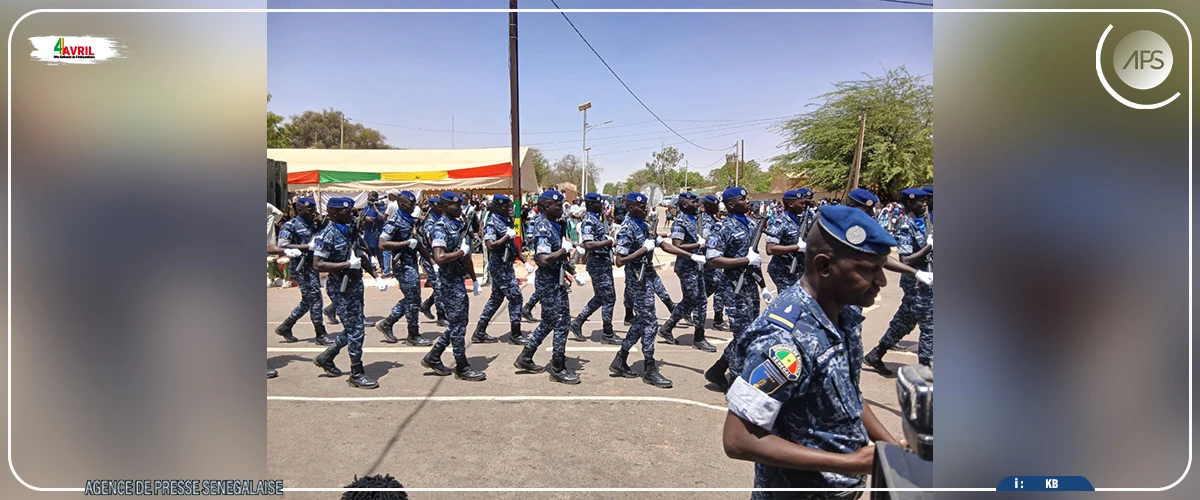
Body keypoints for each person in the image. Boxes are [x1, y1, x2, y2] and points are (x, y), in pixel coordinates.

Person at [722, 205, 903, 498]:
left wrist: (889, 446)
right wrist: (848, 462)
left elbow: (846, 394)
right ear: (824, 267)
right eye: (869, 270)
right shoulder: (783, 340)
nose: (881, 281)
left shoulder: (843, 316)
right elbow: (738, 439)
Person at [863, 188, 934, 374]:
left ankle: (876, 355)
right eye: (921, 201)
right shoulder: (905, 225)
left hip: (926, 282)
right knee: (930, 327)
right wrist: (928, 247)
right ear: (910, 202)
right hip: (917, 284)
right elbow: (905, 260)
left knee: (905, 322)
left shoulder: (925, 221)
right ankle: (925, 371)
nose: (925, 203)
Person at [311, 197, 379, 389]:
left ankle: (327, 356)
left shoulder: (350, 230)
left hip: (355, 285)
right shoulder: (327, 235)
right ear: (333, 213)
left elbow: (361, 254)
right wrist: (347, 264)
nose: (351, 214)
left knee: (353, 328)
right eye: (346, 211)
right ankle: (356, 373)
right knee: (357, 330)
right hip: (340, 287)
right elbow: (318, 264)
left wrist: (375, 275)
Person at [513, 190, 580, 384]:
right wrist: (563, 250)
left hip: (556, 279)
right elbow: (542, 260)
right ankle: (557, 367)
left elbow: (557, 258)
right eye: (556, 205)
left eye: (561, 205)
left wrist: (572, 271)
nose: (560, 208)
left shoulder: (555, 225)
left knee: (549, 322)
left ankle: (525, 357)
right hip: (549, 282)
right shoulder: (543, 226)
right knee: (561, 323)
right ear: (544, 207)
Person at [420, 192, 487, 381]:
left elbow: (466, 256)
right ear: (444, 207)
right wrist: (460, 252)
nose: (459, 209)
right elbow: (440, 257)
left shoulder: (458, 224)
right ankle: (461, 366)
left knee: (460, 323)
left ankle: (434, 355)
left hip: (457, 279)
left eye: (460, 206)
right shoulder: (440, 227)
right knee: (458, 325)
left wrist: (474, 279)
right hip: (448, 282)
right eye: (455, 206)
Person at [609, 192, 672, 388]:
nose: (646, 209)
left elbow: (662, 244)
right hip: (637, 280)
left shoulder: (642, 225)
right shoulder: (628, 228)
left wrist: (693, 255)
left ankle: (620, 358)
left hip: (647, 276)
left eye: (646, 206)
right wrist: (642, 250)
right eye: (642, 206)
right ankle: (650, 369)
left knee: (640, 321)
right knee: (651, 322)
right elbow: (619, 261)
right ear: (630, 208)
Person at [703, 187, 762, 393]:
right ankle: (735, 383)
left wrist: (762, 286)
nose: (748, 202)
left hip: (749, 286)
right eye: (743, 199)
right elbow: (712, 260)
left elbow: (754, 259)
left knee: (749, 334)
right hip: (733, 288)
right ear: (729, 205)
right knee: (743, 336)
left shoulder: (752, 224)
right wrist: (745, 260)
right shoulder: (722, 228)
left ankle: (718, 370)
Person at [657, 192, 716, 352]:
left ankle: (667, 328)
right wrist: (698, 244)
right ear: (684, 204)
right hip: (687, 267)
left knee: (689, 301)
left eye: (697, 202)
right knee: (701, 301)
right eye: (694, 202)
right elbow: (677, 246)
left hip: (697, 265)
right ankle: (699, 338)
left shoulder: (695, 219)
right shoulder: (680, 221)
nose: (697, 204)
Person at [375, 191, 433, 347]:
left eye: (414, 203)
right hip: (402, 265)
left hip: (412, 264)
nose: (413, 206)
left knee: (412, 299)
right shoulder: (394, 221)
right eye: (410, 204)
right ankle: (413, 334)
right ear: (401, 204)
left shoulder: (411, 220)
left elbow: (419, 244)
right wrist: (406, 244)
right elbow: (382, 244)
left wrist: (432, 262)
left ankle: (388, 323)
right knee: (413, 300)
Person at [274, 197, 334, 345]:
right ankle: (320, 334)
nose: (313, 213)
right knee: (316, 300)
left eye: (314, 210)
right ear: (299, 210)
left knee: (308, 301)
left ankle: (286, 326)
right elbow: (283, 245)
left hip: (312, 266)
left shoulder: (314, 225)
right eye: (309, 210)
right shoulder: (291, 225)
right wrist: (307, 247)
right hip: (300, 267)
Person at [844, 188, 933, 286]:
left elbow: (881, 258)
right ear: (852, 206)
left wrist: (917, 273)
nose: (872, 214)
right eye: (868, 210)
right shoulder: (840, 229)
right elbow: (904, 260)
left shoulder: (862, 230)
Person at [474, 194, 531, 345]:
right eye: (507, 207)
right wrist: (506, 236)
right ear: (498, 207)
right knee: (516, 296)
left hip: (506, 265)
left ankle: (479, 331)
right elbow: (490, 245)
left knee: (496, 299)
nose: (510, 209)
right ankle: (516, 333)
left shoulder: (505, 221)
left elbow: (512, 245)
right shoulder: (492, 222)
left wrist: (525, 262)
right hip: (499, 266)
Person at [568, 192, 620, 345]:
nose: (601, 205)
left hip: (602, 262)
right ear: (590, 205)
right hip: (598, 263)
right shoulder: (589, 220)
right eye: (598, 203)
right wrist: (608, 242)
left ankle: (577, 322)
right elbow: (589, 244)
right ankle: (608, 333)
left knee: (600, 298)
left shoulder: (597, 218)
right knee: (609, 297)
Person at [764, 188, 817, 293]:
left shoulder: (802, 219)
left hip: (799, 269)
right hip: (782, 270)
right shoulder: (780, 222)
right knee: (788, 303)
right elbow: (770, 249)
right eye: (801, 203)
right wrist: (797, 247)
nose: (804, 205)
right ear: (791, 204)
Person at [418, 197, 449, 327]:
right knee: (439, 286)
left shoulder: (441, 218)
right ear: (434, 207)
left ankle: (426, 305)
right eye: (440, 206)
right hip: (430, 259)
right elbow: (432, 240)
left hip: (440, 258)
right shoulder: (430, 221)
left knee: (441, 286)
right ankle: (441, 316)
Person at [700, 195, 730, 331]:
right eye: (715, 206)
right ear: (708, 207)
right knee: (719, 289)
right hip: (710, 260)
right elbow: (706, 238)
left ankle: (689, 306)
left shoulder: (713, 219)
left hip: (715, 259)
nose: (718, 208)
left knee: (708, 289)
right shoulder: (706, 221)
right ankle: (718, 319)